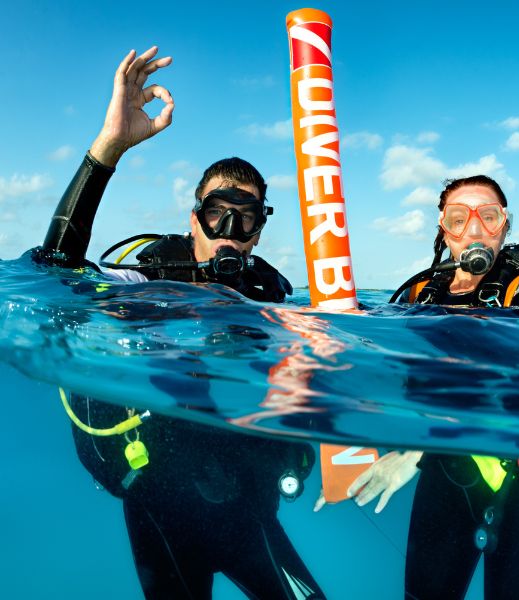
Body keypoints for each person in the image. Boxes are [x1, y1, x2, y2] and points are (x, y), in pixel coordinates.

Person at [34, 47, 324, 599]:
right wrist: (107, 150)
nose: (230, 231)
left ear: (259, 233)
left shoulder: (272, 298)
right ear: (194, 220)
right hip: (160, 508)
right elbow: (54, 276)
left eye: (247, 219)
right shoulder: (151, 279)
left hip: (248, 511)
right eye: (219, 213)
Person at [346, 175, 519, 599]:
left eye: (489, 217)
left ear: (506, 226)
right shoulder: (415, 296)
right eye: (459, 218)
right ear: (443, 229)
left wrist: (418, 449)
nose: (476, 230)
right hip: (443, 486)